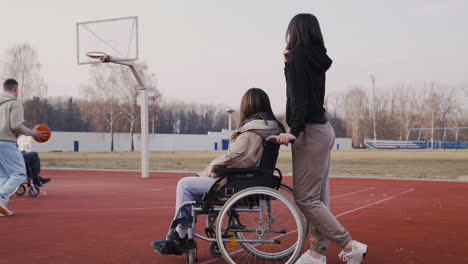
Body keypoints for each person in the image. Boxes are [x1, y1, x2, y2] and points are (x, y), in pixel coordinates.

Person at [276, 14, 368, 264]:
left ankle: (350, 246)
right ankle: (317, 253)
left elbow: (298, 97)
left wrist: (293, 129)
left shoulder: (299, 56)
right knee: (318, 199)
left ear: (294, 32)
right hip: (323, 130)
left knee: (305, 198)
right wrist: (288, 65)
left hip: (308, 131)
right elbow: (302, 89)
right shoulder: (315, 58)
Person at [151, 88, 285, 254]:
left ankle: (180, 236)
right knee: (193, 186)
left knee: (185, 185)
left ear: (247, 106)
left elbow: (235, 158)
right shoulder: (269, 128)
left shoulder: (252, 131)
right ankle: (181, 234)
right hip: (251, 179)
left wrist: (211, 168)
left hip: (237, 182)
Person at [0, 79, 48, 216]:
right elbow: (16, 125)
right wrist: (33, 133)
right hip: (6, 142)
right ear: (15, 89)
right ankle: (1, 195)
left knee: (3, 175)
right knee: (20, 173)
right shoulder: (14, 103)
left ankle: (2, 206)